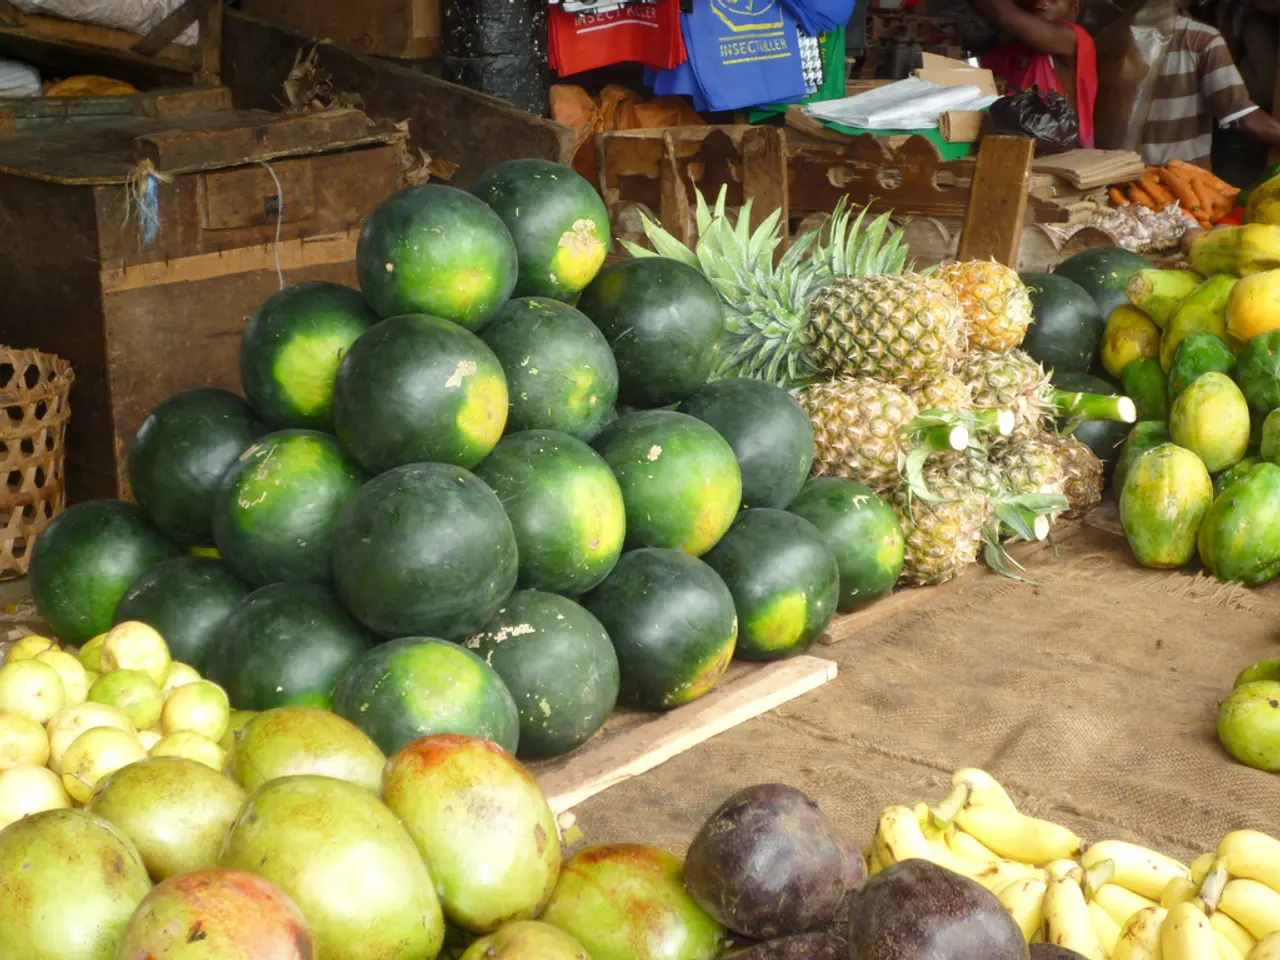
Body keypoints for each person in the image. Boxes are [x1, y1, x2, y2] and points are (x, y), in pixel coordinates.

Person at [1139, 7, 1280, 169]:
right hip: (1182, 180)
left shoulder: (1110, 36)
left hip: (1119, 177)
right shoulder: (1200, 38)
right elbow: (1242, 117)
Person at [972, 0, 1098, 148]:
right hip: (1012, 144)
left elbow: (1009, 18)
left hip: (1060, 149)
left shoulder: (1072, 38)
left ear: (1075, 8)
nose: (1041, 3)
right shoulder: (1012, 49)